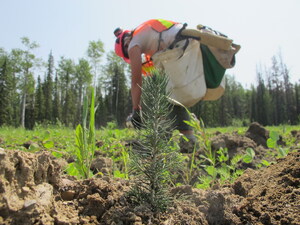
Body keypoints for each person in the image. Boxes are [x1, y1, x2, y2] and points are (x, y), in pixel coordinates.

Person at [114, 19, 239, 145]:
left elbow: (136, 81)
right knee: (174, 95)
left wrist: (136, 109)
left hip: (179, 48)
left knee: (163, 94)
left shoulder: (132, 44)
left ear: (125, 46)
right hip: (187, 44)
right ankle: (188, 139)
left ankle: (161, 141)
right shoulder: (147, 35)